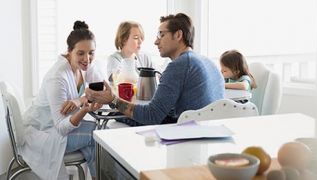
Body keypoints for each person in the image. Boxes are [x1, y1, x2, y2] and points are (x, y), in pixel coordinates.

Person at [86, 13, 224, 126]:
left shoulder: (179, 66)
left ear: (178, 35)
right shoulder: (208, 63)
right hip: (209, 135)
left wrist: (113, 100)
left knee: (114, 118)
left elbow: (152, 115)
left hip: (186, 135)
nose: (156, 41)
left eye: (161, 35)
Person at [21, 21, 102, 180]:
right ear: (69, 51)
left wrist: (81, 100)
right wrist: (85, 108)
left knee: (98, 136)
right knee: (99, 137)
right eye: (81, 53)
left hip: (61, 128)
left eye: (91, 52)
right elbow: (61, 128)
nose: (87, 58)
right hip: (45, 133)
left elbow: (100, 89)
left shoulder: (83, 65)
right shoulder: (57, 77)